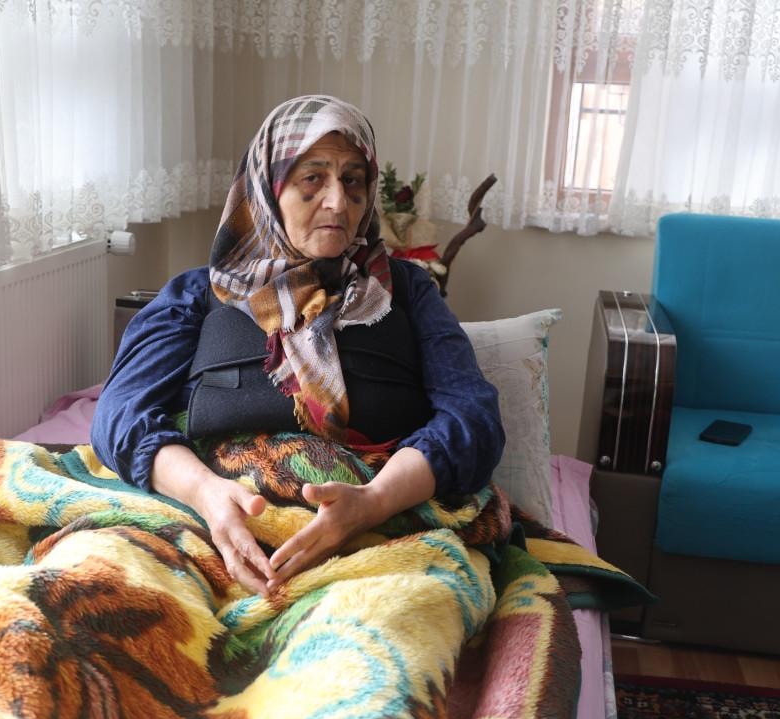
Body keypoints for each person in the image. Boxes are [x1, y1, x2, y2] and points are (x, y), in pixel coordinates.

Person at [91, 95, 504, 597]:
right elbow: (120, 415)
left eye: (353, 180)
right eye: (313, 178)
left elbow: (473, 419)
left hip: (378, 535)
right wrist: (205, 494)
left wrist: (373, 501)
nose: (338, 202)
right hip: (207, 524)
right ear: (268, 187)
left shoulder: (407, 291)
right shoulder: (199, 293)